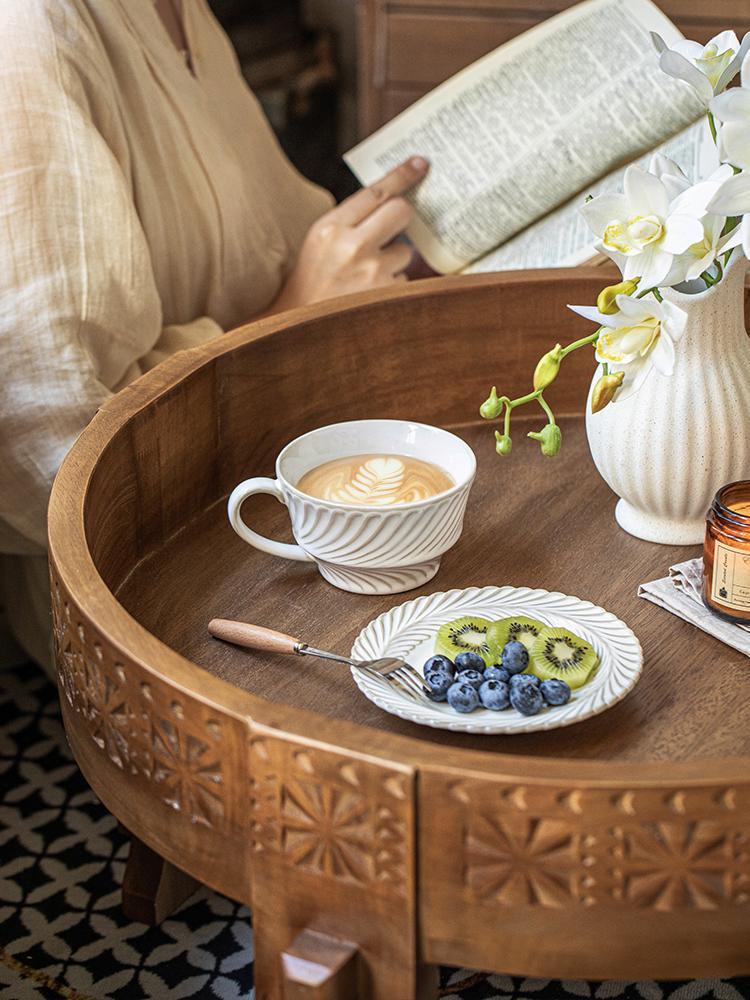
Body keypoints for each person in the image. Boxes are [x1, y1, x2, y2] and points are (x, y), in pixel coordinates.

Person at [0, 0, 428, 671]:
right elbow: (51, 452)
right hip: (145, 602)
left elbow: (269, 239)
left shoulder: (186, 14)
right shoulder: (32, 28)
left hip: (269, 482)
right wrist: (291, 316)